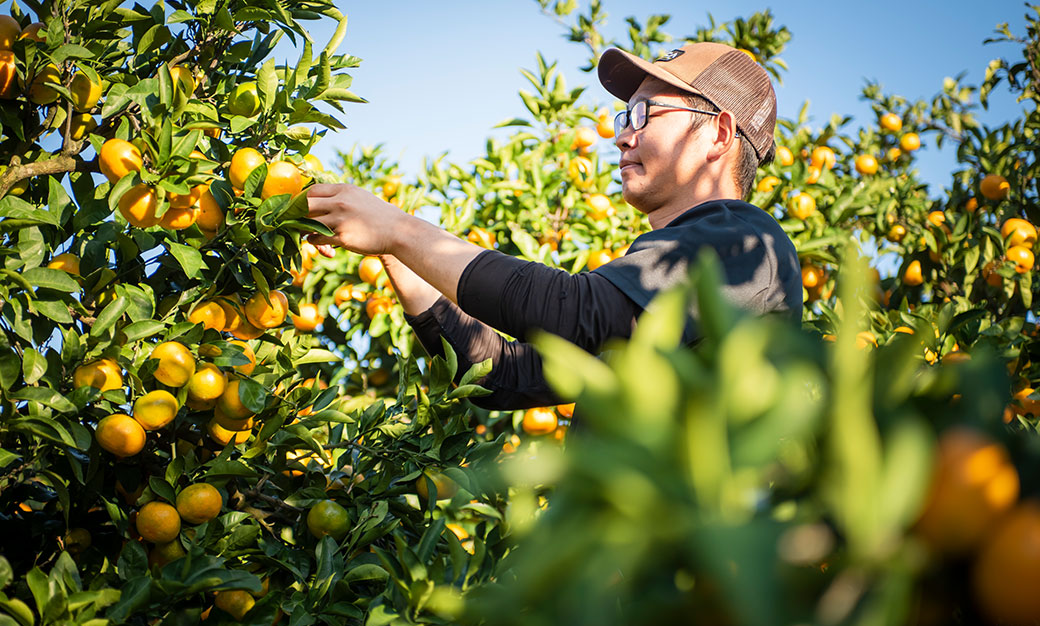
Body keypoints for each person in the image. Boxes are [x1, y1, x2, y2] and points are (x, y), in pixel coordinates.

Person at [307, 41, 802, 410]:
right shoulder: (662, 293)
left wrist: (398, 228)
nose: (622, 136)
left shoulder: (749, 243)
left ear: (718, 132)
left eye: (642, 113)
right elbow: (497, 375)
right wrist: (396, 254)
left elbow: (578, 314)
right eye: (623, 117)